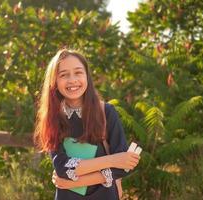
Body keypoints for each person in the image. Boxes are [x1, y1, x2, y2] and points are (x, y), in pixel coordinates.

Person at [34, 48, 140, 200]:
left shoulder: (106, 112)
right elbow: (62, 168)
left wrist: (74, 181)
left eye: (78, 72)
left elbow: (124, 167)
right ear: (54, 82)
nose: (72, 80)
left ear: (87, 77)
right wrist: (112, 160)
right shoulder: (53, 117)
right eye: (64, 75)